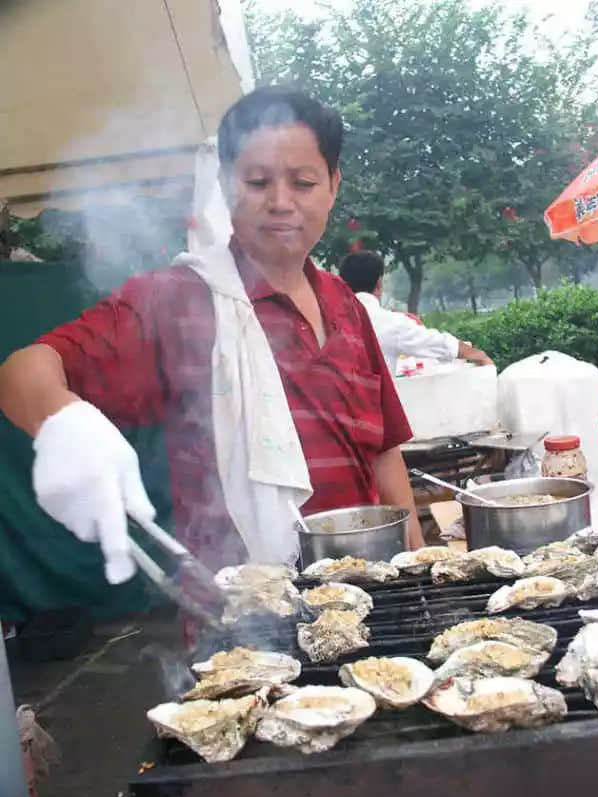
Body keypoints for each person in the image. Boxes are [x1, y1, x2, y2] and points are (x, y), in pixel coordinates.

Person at [0, 87, 424, 632]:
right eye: (257, 181)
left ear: (333, 185)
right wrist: (62, 422)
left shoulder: (347, 306)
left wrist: (413, 559)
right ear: (225, 185)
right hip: (242, 626)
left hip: (369, 601)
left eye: (303, 182)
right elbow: (23, 371)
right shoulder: (177, 301)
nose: (280, 201)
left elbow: (383, 451)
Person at [339, 251, 493, 374]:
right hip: (371, 409)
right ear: (379, 283)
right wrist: (477, 355)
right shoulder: (390, 323)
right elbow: (439, 344)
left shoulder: (325, 319)